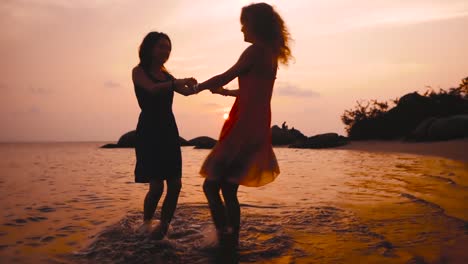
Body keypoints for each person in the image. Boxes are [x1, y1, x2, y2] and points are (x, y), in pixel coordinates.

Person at [194, 3, 293, 248]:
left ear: (255, 25)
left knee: (210, 187)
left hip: (242, 126)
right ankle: (231, 241)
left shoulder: (255, 51)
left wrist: (194, 88)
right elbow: (253, 90)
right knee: (228, 189)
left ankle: (223, 238)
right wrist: (227, 93)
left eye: (244, 23)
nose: (241, 29)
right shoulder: (269, 54)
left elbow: (224, 75)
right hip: (255, 126)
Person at [131, 31, 198, 239]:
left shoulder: (168, 77)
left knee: (175, 185)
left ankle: (163, 229)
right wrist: (176, 83)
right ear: (150, 48)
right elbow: (151, 89)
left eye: (168, 47)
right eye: (161, 46)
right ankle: (146, 224)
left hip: (169, 130)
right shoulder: (139, 71)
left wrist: (207, 86)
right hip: (149, 131)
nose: (165, 51)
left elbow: (187, 91)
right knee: (157, 186)